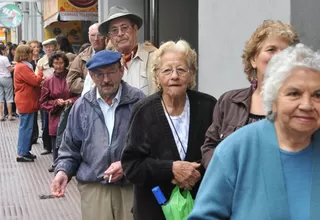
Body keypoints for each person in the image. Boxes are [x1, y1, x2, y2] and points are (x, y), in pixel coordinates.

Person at [188, 43, 320, 219]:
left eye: (317, 95)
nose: (306, 105)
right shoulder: (236, 150)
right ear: (273, 100)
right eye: (294, 93)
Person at [121, 40, 217, 220]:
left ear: (192, 74)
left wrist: (193, 172)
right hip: (154, 210)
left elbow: (219, 156)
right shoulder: (143, 111)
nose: (174, 76)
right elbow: (131, 166)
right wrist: (170, 169)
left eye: (181, 70)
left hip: (201, 209)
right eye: (167, 70)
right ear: (157, 76)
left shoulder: (208, 106)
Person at [51, 50, 145, 220]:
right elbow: (70, 149)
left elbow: (151, 146)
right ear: (91, 77)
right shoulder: (81, 106)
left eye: (111, 72)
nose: (106, 80)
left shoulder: (139, 102)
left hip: (131, 187)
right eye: (99, 74)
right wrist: (63, 171)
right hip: (94, 188)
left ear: (121, 71)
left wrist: (126, 164)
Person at [201, 20, 300, 168]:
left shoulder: (302, 105)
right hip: (236, 188)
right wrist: (226, 172)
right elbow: (209, 148)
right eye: (271, 49)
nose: (279, 56)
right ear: (253, 59)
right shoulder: (229, 102)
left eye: (285, 52)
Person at [99, 5, 157, 95]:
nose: (120, 33)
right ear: (109, 36)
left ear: (135, 29)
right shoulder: (103, 63)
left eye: (124, 27)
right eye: (114, 30)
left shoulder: (154, 58)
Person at [39, 52, 79, 172]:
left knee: (72, 140)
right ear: (52, 64)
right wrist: (56, 102)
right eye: (56, 63)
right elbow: (43, 102)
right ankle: (57, 163)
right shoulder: (48, 81)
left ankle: (73, 164)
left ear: (65, 63)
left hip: (72, 114)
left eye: (61, 63)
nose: (58, 66)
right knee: (57, 140)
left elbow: (80, 95)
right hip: (56, 116)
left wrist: (71, 101)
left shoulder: (71, 78)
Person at [14, 45, 43, 162]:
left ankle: (25, 151)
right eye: (31, 53)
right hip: (26, 101)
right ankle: (21, 153)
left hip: (26, 100)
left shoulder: (22, 66)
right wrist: (40, 72)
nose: (33, 54)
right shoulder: (22, 67)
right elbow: (35, 81)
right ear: (25, 54)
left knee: (27, 127)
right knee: (26, 128)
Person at [66, 23, 106, 95]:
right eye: (93, 35)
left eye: (99, 35)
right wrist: (90, 85)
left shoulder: (113, 52)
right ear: (88, 36)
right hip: (89, 99)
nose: (96, 39)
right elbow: (71, 81)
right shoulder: (82, 57)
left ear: (105, 36)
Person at [36, 38, 59, 155]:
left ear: (55, 46)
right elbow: (37, 77)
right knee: (45, 122)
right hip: (46, 93)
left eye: (50, 46)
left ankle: (58, 146)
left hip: (59, 92)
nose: (48, 49)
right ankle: (47, 146)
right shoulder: (41, 61)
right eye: (46, 47)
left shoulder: (60, 57)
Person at [28, 40, 41, 144]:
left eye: (37, 47)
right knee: (33, 114)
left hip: (43, 89)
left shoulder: (42, 60)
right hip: (33, 91)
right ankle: (33, 136)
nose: (36, 49)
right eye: (33, 47)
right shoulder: (28, 63)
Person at [0, 45, 14, 121]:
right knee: (9, 97)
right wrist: (15, 66)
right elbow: (10, 69)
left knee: (0, 98)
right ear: (2, 51)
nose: (7, 51)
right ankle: (9, 115)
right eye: (6, 50)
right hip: (6, 78)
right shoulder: (4, 58)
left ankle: (1, 115)